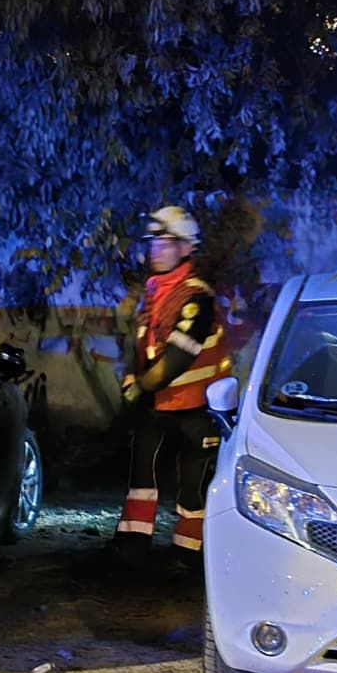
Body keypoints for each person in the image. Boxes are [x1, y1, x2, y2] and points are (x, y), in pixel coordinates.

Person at [111, 205, 233, 572]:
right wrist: (132, 376)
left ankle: (191, 553)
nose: (156, 251)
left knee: (193, 484)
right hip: (158, 403)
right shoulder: (154, 291)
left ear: (185, 248)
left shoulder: (197, 298)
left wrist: (141, 385)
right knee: (141, 476)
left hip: (198, 406)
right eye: (153, 244)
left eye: (164, 244)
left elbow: (179, 355)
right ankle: (132, 547)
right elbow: (142, 343)